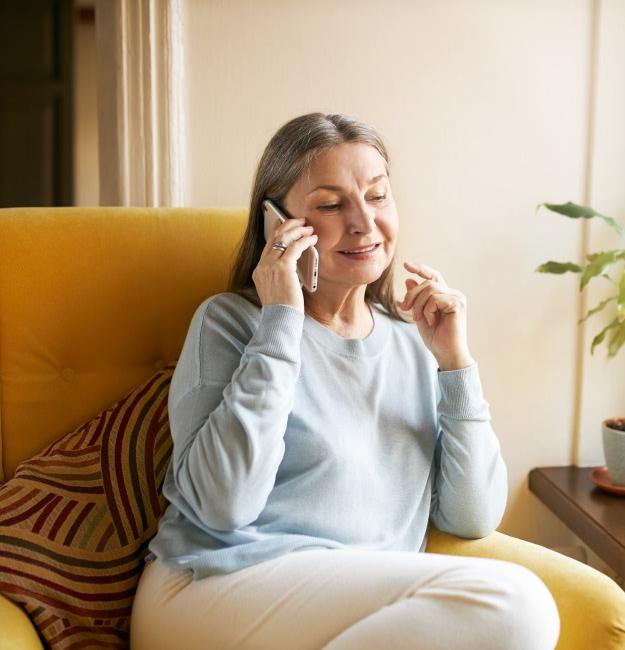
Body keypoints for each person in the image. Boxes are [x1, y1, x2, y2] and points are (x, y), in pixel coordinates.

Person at [130, 112, 560, 649]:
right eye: (331, 205)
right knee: (518, 604)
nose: (363, 223)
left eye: (378, 196)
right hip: (210, 588)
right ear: (275, 224)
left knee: (520, 609)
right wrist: (281, 321)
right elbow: (224, 504)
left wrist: (455, 363)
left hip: (350, 611)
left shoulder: (414, 343)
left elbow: (471, 516)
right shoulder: (229, 323)